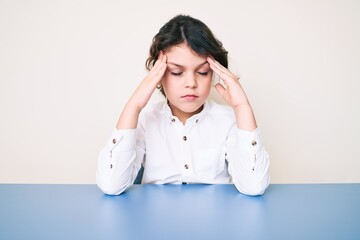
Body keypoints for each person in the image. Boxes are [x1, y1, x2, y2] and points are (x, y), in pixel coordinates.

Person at [96, 15, 270, 196]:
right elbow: (111, 185)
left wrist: (242, 107)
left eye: (203, 72)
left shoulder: (229, 120)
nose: (191, 83)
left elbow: (254, 187)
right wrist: (134, 105)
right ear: (159, 74)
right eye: (177, 72)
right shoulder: (144, 119)